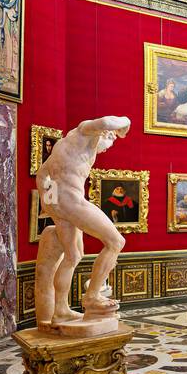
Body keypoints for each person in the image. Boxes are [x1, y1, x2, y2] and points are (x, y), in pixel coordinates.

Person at [35, 116, 130, 328]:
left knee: (73, 255)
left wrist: (50, 202)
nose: (108, 148)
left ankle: (60, 311)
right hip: (71, 200)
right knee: (116, 242)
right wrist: (125, 123)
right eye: (111, 141)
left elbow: (42, 174)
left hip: (61, 203)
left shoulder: (64, 146)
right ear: (105, 134)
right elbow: (106, 122)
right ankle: (92, 296)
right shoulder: (83, 132)